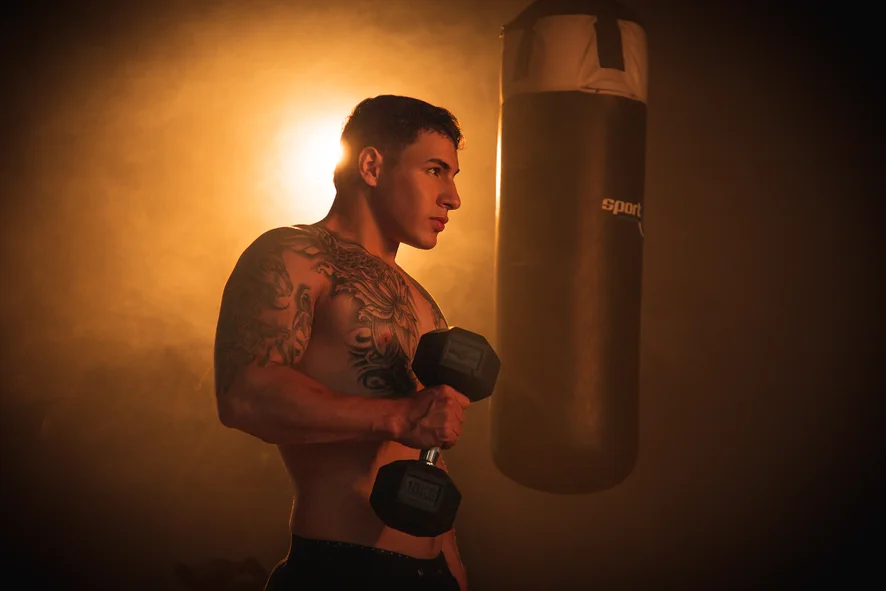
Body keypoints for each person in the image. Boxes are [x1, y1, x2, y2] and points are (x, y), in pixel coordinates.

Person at [213, 95, 471, 591]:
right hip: (342, 568)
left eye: (453, 177)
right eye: (435, 170)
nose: (453, 197)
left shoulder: (423, 300)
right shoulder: (293, 254)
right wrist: (398, 415)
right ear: (372, 166)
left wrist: (453, 567)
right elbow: (244, 394)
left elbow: (424, 447)